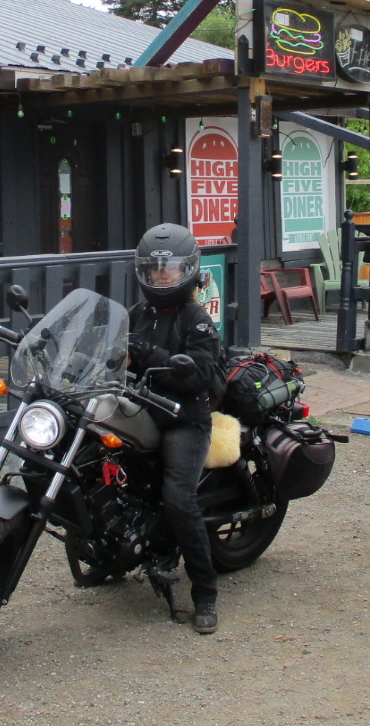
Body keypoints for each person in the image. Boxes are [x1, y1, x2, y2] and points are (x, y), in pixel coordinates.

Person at [125, 222, 223, 634]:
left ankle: (204, 593)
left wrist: (148, 353)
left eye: (170, 269)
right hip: (142, 410)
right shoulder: (136, 314)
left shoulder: (196, 319)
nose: (162, 276)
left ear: (188, 271)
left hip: (185, 418)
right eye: (155, 269)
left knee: (178, 498)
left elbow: (200, 375)